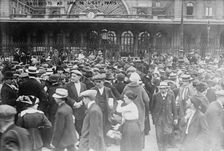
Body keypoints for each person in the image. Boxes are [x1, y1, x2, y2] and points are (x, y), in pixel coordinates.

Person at [152, 81, 178, 151]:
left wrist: (175, 118)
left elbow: (174, 108)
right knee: (159, 135)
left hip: (168, 119)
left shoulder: (171, 96)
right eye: (161, 88)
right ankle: (160, 149)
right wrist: (154, 119)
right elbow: (152, 108)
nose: (162, 90)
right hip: (158, 119)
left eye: (164, 88)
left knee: (166, 134)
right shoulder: (155, 96)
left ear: (167, 89)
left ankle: (165, 148)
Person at [65, 70, 87, 137]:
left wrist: (81, 102)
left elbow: (85, 95)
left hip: (81, 109)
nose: (72, 77)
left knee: (80, 125)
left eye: (74, 76)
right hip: (72, 108)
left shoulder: (84, 85)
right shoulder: (68, 85)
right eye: (71, 76)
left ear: (79, 77)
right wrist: (74, 103)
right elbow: (66, 96)